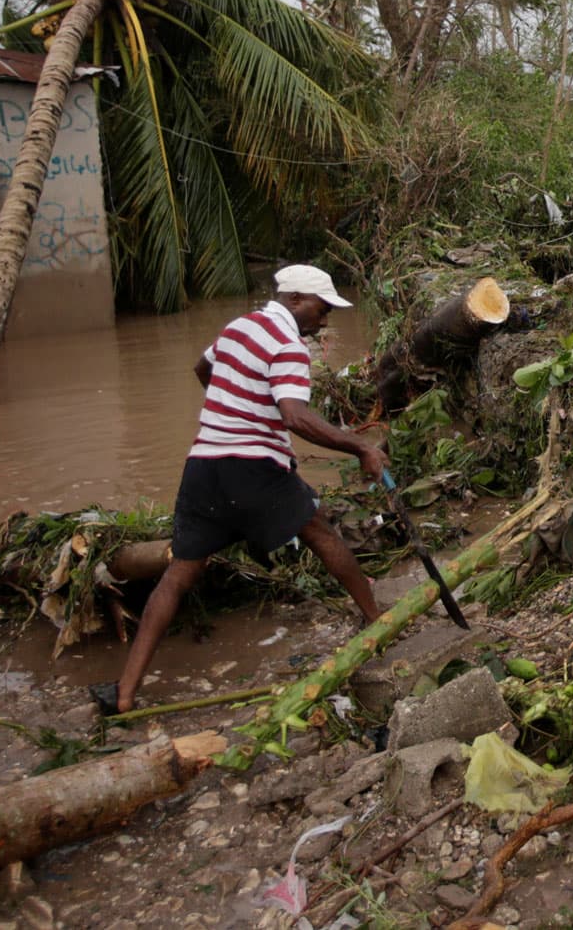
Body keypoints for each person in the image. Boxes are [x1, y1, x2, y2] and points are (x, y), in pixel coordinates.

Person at [105, 264, 387, 715]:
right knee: (321, 533)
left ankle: (124, 692)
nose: (325, 319)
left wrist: (232, 409)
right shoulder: (289, 345)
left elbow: (202, 368)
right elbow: (294, 416)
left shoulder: (238, 327)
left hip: (203, 466)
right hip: (252, 467)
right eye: (322, 307)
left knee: (177, 575)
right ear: (295, 300)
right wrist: (360, 448)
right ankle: (378, 621)